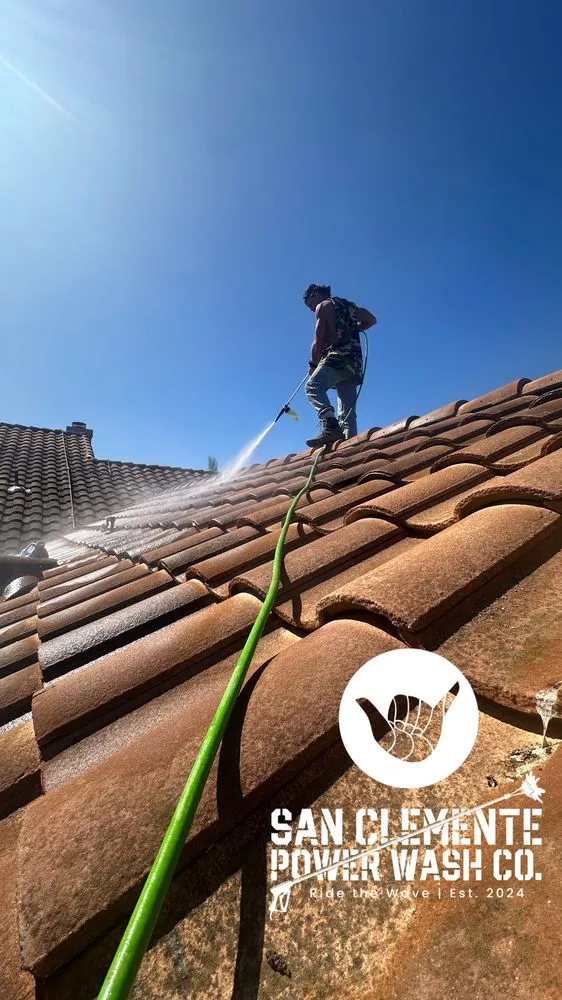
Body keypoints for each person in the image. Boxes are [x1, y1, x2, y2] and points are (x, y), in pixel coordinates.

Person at [303, 283, 377, 447]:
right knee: (348, 415)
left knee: (312, 386)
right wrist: (355, 328)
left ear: (315, 294)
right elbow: (371, 319)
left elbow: (318, 341)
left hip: (338, 359)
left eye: (309, 304)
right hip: (354, 365)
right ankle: (349, 451)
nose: (310, 309)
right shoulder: (350, 306)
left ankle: (330, 425)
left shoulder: (323, 305)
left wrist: (313, 365)